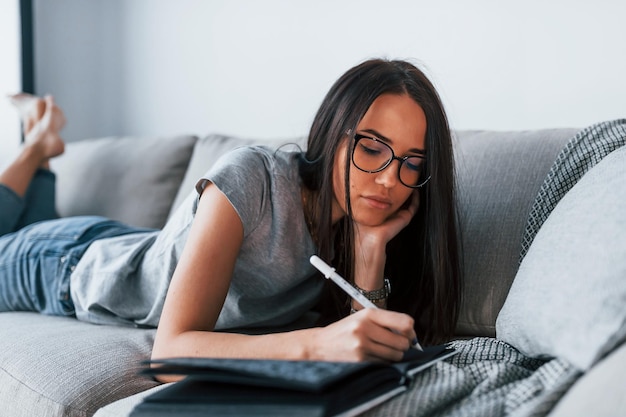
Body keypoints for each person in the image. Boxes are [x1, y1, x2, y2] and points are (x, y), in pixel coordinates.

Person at [0, 59, 463, 375]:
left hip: (130, 243)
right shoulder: (253, 177)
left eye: (411, 161)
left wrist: (369, 249)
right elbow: (170, 354)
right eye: (372, 146)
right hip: (65, 264)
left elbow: (368, 354)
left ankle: (42, 146)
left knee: (25, 221)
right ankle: (37, 145)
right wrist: (316, 346)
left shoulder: (365, 223)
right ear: (332, 132)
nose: (389, 179)